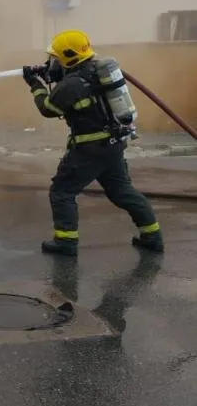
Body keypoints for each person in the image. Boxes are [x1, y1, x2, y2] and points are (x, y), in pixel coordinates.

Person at [22, 29, 163, 257]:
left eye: (56, 58)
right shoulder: (95, 72)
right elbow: (72, 88)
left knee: (62, 191)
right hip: (113, 145)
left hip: (90, 150)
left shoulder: (72, 84)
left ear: (69, 57)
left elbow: (48, 108)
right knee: (122, 192)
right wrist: (49, 73)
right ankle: (153, 236)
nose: (52, 62)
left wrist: (35, 84)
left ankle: (66, 242)